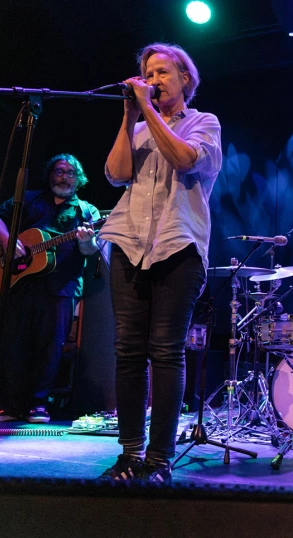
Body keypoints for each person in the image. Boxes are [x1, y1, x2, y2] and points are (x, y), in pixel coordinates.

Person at [98, 42, 222, 484]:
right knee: (128, 351)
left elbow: (187, 159)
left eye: (162, 71)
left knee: (165, 352)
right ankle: (129, 455)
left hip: (179, 247)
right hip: (129, 244)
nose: (152, 80)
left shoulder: (203, 123)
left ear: (184, 78)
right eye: (147, 72)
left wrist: (147, 110)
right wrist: (130, 116)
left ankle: (159, 460)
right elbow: (114, 174)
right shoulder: (137, 126)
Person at [0, 154, 102, 423]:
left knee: (50, 347)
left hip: (61, 286)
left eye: (70, 172)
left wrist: (86, 240)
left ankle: (38, 403)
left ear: (78, 179)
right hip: (18, 283)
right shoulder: (28, 199)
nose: (64, 177)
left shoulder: (87, 212)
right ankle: (8, 405)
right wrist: (6, 241)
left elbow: (90, 249)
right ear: (50, 175)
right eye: (59, 171)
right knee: (12, 344)